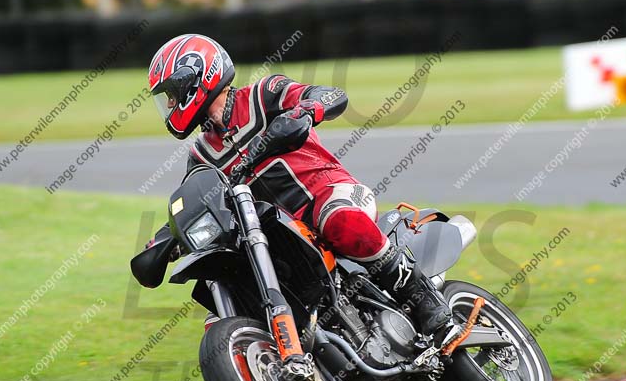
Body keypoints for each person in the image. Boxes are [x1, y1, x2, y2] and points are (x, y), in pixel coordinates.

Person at [146, 34, 452, 338]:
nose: (170, 104)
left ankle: (422, 295)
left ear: (196, 79)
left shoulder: (263, 94)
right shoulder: (201, 154)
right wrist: (164, 241)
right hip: (279, 235)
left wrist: (305, 111)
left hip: (330, 193)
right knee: (231, 293)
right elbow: (198, 201)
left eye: (172, 94)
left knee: (338, 220)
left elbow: (330, 95)